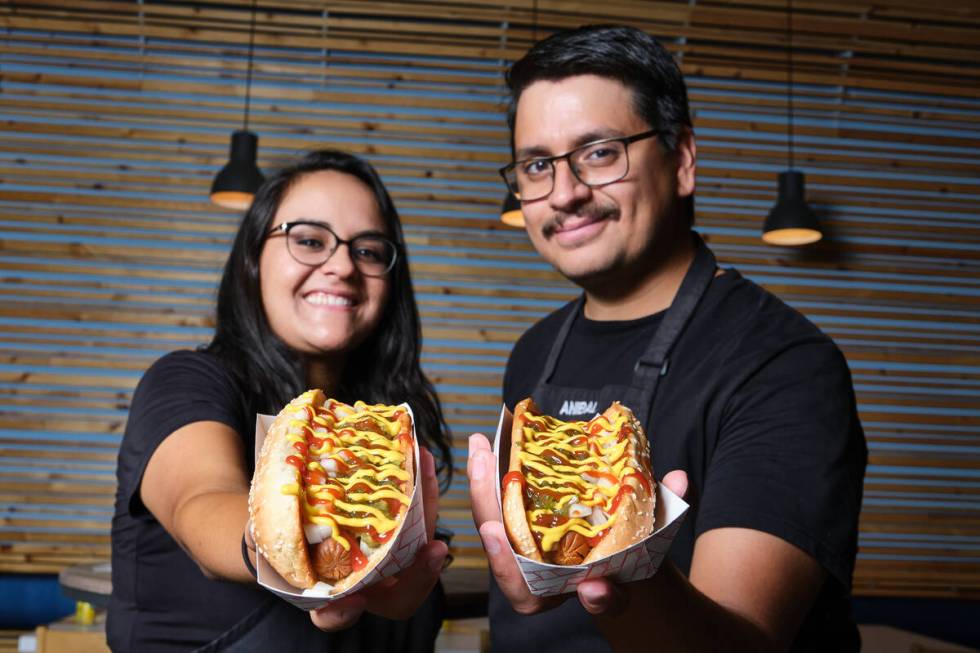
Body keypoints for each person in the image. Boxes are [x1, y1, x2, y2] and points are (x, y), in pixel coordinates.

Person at [468, 25, 867, 652]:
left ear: (681, 160)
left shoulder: (786, 366)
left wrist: (620, 568)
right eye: (538, 165)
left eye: (599, 152)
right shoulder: (533, 351)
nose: (565, 193)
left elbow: (743, 645)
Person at [109, 150, 453, 652]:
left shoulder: (386, 431)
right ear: (253, 258)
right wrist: (288, 547)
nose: (342, 265)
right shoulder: (187, 380)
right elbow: (199, 502)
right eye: (310, 240)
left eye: (370, 251)